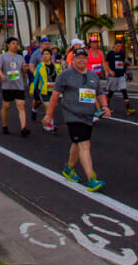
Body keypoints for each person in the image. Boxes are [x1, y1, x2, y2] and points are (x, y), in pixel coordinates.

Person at [43, 47, 110, 192]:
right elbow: (55, 95)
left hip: (88, 116)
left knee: (77, 142)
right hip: (72, 115)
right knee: (84, 145)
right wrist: (49, 115)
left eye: (84, 58)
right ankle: (91, 179)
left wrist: (105, 106)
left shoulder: (93, 76)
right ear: (72, 60)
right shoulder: (65, 75)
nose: (81, 60)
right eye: (78, 58)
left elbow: (100, 93)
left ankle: (69, 168)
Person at [0, 36, 30, 136]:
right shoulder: (3, 56)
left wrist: (25, 69)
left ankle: (23, 128)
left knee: (21, 105)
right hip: (7, 85)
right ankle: (4, 125)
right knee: (6, 106)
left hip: (19, 85)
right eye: (13, 43)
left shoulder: (20, 57)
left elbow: (23, 71)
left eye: (16, 44)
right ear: (8, 45)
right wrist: (1, 75)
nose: (15, 46)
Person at [30, 46, 58, 132]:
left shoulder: (56, 66)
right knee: (48, 106)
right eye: (44, 54)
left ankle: (45, 120)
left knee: (51, 107)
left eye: (47, 54)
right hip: (43, 90)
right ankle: (50, 125)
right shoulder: (39, 67)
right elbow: (36, 79)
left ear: (51, 56)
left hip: (53, 90)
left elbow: (60, 78)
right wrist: (33, 90)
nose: (45, 56)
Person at [105, 41, 136, 116]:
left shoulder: (122, 53)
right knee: (111, 91)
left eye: (120, 46)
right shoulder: (110, 53)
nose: (119, 48)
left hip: (121, 75)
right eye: (118, 46)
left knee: (124, 90)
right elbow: (106, 63)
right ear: (114, 46)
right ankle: (106, 105)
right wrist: (109, 71)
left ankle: (128, 108)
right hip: (113, 75)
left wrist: (127, 68)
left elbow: (123, 61)